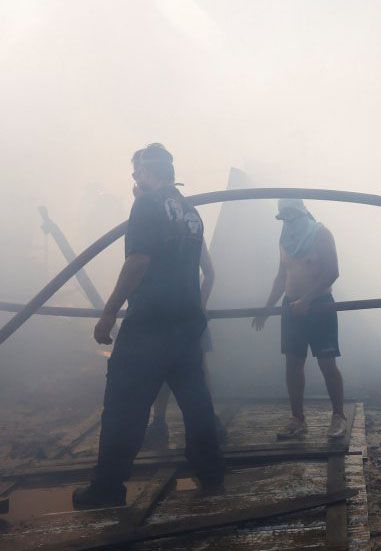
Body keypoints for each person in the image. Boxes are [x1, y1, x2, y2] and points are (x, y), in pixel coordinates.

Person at [73, 144, 224, 508]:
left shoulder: (146, 205)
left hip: (150, 324)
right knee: (195, 400)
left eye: (136, 171)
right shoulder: (190, 212)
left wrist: (109, 311)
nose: (133, 178)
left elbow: (138, 262)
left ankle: (108, 488)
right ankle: (210, 471)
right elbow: (197, 268)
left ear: (146, 172)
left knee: (124, 406)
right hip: (186, 323)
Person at [252, 199, 346, 440]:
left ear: (303, 212)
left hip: (319, 306)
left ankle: (338, 416)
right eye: (284, 217)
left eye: (292, 215)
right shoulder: (284, 240)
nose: (289, 221)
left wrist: (307, 300)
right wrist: (266, 307)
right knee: (293, 364)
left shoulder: (321, 234)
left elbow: (332, 272)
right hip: (291, 308)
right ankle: (297, 419)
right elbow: (281, 276)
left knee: (327, 362)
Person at [143, 241, 226, 449]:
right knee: (168, 369)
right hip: (166, 314)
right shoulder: (167, 232)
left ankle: (207, 420)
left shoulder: (191, 232)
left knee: (197, 367)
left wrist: (200, 304)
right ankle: (160, 422)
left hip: (183, 314)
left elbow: (210, 274)